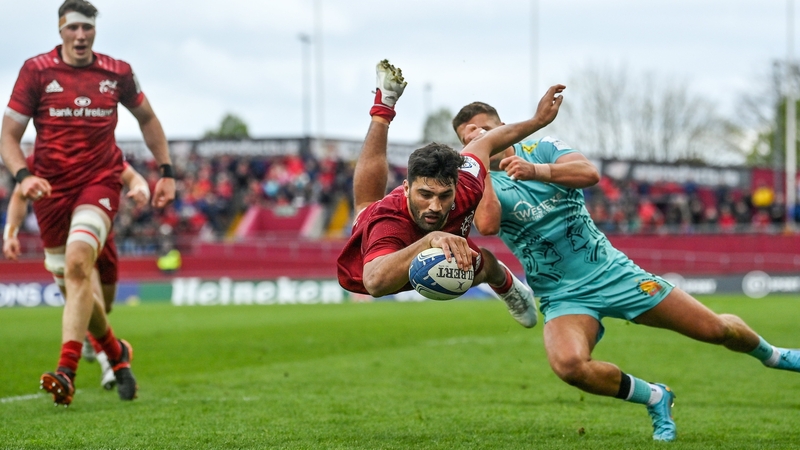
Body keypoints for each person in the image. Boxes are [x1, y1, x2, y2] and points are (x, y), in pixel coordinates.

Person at [452, 101, 800, 442]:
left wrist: (538, 171)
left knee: (716, 330)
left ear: (504, 126)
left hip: (613, 272)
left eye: (485, 128)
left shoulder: (540, 147)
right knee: (569, 365)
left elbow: (589, 173)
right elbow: (489, 224)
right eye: (470, 136)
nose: (479, 136)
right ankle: (654, 396)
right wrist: (481, 164)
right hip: (562, 293)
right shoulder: (477, 182)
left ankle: (773, 355)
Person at [0, 0, 175, 406]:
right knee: (77, 288)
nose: (81, 36)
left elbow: (147, 119)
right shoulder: (36, 71)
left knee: (80, 264)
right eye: (73, 28)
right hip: (49, 191)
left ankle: (66, 371)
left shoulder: (117, 72)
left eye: (87, 29)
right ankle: (116, 353)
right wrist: (24, 177)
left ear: (95, 31)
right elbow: (8, 135)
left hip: (98, 183)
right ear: (61, 30)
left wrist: (165, 171)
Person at [336, 60, 564, 328]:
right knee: (365, 206)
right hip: (389, 257)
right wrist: (428, 241)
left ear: (457, 185)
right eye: (424, 194)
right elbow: (374, 283)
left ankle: (509, 288)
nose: (434, 206)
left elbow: (489, 140)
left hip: (447, 245)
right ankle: (382, 109)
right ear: (407, 188)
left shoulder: (468, 179)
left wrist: (537, 121)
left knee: (487, 263)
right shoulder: (388, 223)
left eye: (445, 196)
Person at [3, 160, 151, 390]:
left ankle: (104, 346)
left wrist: (141, 186)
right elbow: (19, 195)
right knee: (84, 286)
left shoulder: (97, 148)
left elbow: (131, 175)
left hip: (103, 236)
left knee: (104, 306)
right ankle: (101, 364)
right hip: (68, 240)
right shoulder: (38, 159)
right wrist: (10, 233)